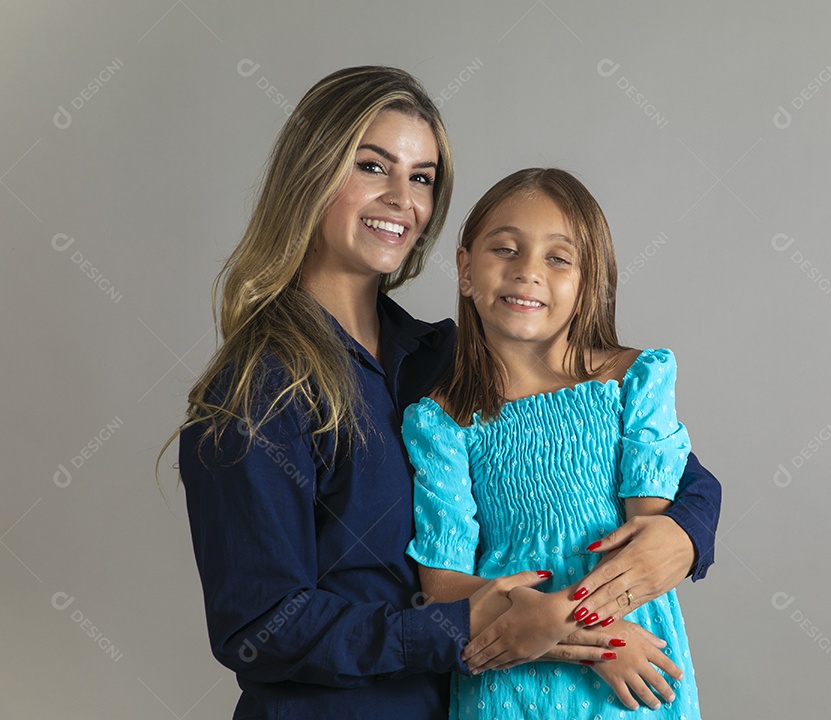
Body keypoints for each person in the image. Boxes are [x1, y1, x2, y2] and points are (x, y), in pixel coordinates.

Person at [171, 66, 720, 720]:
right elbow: (258, 628)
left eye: (422, 178)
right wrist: (467, 628)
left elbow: (659, 459)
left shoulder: (448, 359)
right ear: (312, 175)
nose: (402, 198)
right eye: (373, 166)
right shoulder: (257, 393)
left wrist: (684, 535)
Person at [404, 168, 702, 718]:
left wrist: (595, 634)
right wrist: (556, 625)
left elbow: (645, 547)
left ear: (589, 283)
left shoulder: (634, 382)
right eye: (505, 250)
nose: (527, 273)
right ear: (466, 270)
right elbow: (442, 585)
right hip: (509, 675)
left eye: (557, 258)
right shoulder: (440, 424)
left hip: (630, 669)